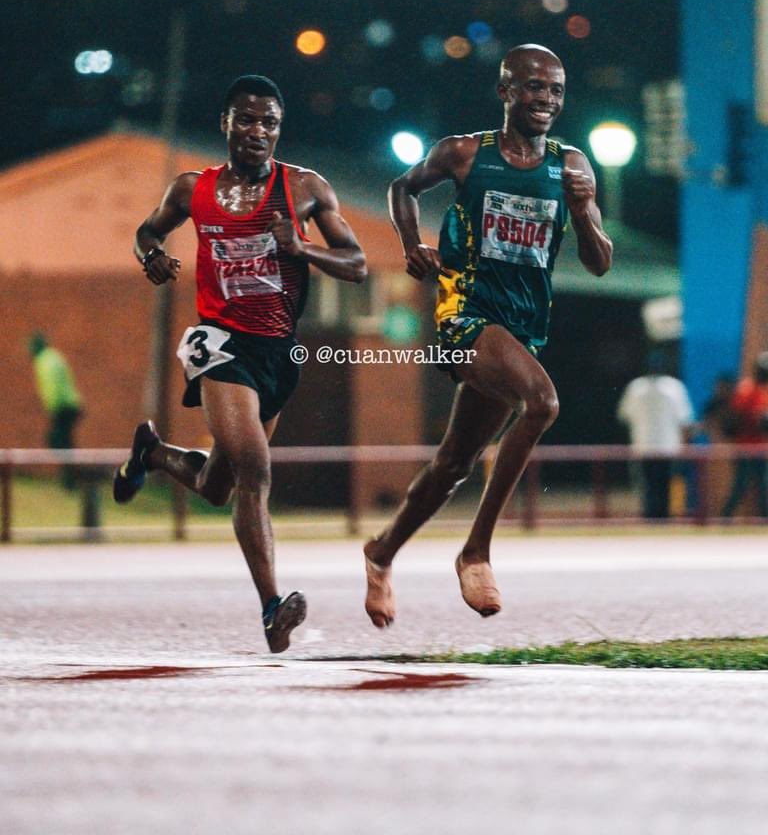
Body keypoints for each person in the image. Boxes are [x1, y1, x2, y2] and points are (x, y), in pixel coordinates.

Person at [112, 75, 367, 652]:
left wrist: (302, 248)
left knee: (216, 486)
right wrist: (152, 255)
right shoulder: (192, 189)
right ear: (225, 124)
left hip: (278, 353)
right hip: (221, 346)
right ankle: (273, 609)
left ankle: (153, 453)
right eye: (247, 120)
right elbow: (147, 231)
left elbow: (357, 265)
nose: (258, 131)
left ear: (280, 130)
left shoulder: (303, 187)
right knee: (256, 472)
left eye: (269, 123)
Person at [363, 44, 613, 627]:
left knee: (455, 462)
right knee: (542, 402)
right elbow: (403, 187)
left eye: (556, 90)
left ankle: (381, 552)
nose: (546, 99)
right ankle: (476, 551)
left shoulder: (572, 165)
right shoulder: (464, 153)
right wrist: (411, 245)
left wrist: (581, 212)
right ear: (505, 92)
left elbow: (600, 262)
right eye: (534, 87)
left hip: (523, 328)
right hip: (465, 313)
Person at [616, 351, 694, 521]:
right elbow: (685, 420)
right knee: (664, 487)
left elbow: (624, 416)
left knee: (648, 487)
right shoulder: (674, 387)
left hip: (643, 445)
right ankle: (663, 520)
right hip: (668, 447)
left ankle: (650, 519)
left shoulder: (636, 387)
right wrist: (685, 445)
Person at [29, 332, 85, 489]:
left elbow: (53, 386)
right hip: (71, 404)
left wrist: (53, 408)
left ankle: (73, 476)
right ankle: (71, 476)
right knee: (64, 441)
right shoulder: (54, 356)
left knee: (57, 440)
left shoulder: (44, 361)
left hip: (63, 406)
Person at [720, 353, 768, 522]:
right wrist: (756, 419)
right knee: (741, 485)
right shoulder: (745, 389)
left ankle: (765, 520)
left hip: (762, 448)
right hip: (745, 447)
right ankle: (724, 519)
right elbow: (735, 419)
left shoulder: (765, 390)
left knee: (763, 485)